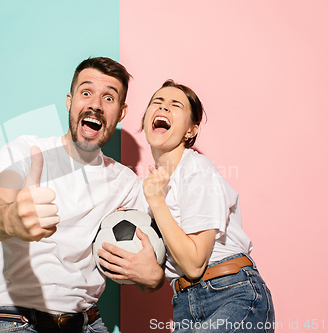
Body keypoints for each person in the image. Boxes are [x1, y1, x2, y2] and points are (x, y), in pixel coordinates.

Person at [0, 57, 163, 333]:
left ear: (121, 112)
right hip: (19, 322)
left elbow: (150, 256)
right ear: (69, 100)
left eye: (109, 98)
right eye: (86, 92)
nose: (96, 105)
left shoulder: (125, 183)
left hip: (88, 323)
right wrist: (11, 219)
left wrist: (153, 278)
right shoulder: (27, 152)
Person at [99, 80, 275, 332]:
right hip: (185, 303)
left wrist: (157, 202)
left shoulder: (196, 169)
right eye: (156, 103)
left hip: (231, 293)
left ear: (190, 131)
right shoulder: (145, 189)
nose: (163, 108)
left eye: (175, 105)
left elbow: (194, 264)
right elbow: (154, 269)